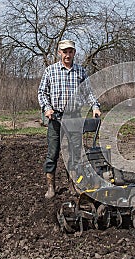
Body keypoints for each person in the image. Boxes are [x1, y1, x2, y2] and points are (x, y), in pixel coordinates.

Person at [38, 39, 101, 199]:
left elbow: (88, 92)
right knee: (53, 153)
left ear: (74, 53)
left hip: (74, 118)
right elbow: (42, 92)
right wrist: (47, 108)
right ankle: (51, 187)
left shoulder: (80, 71)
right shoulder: (50, 71)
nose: (67, 54)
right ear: (59, 53)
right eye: (64, 51)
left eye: (70, 51)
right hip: (56, 118)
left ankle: (72, 184)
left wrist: (95, 106)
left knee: (74, 154)